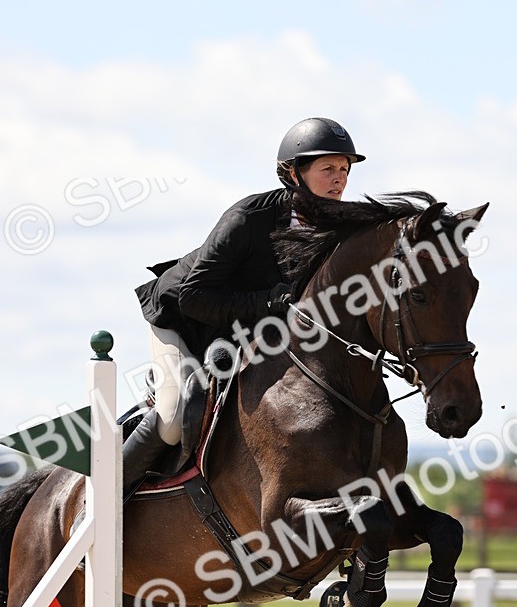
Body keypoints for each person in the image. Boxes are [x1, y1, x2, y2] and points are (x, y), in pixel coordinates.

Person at [127, 117, 366, 497]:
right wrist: (268, 301)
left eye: (344, 169)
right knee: (173, 417)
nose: (339, 179)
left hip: (246, 331)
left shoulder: (341, 229)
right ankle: (100, 505)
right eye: (328, 169)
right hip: (182, 317)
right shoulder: (248, 219)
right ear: (293, 172)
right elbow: (194, 297)